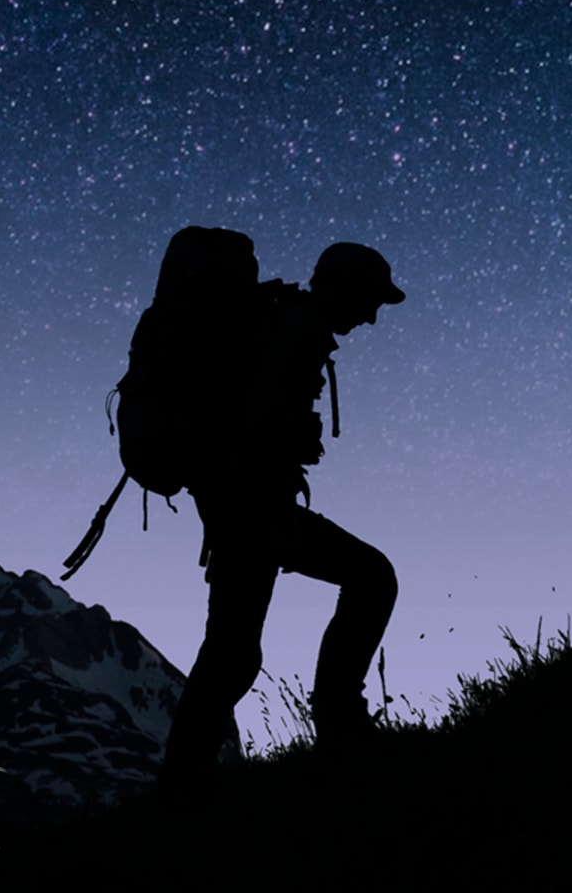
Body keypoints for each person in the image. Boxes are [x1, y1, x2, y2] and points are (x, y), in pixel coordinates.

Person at [158, 242, 405, 798]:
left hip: (240, 505)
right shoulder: (300, 329)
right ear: (343, 286)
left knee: (232, 649)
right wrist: (278, 480)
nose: (370, 317)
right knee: (370, 578)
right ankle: (339, 732)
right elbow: (258, 424)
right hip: (253, 508)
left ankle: (182, 781)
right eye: (369, 301)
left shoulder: (279, 321)